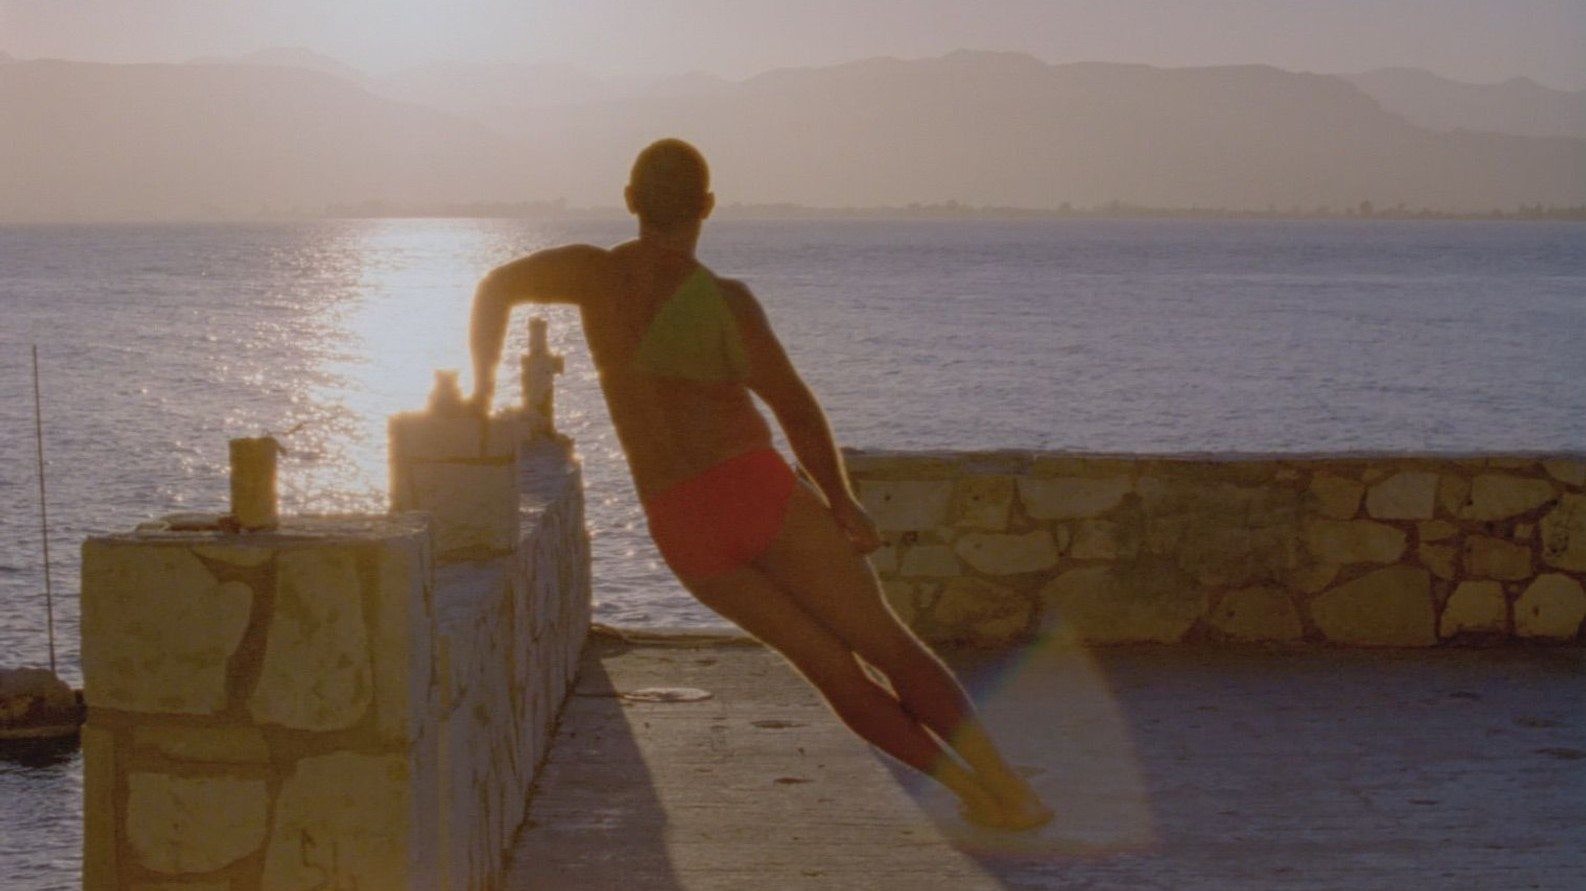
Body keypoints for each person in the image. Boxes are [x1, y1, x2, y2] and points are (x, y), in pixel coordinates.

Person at [467, 138, 1051, 830]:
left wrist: (480, 391)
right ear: (708, 206)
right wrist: (842, 501)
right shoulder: (724, 302)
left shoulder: (592, 277)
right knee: (888, 645)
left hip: (680, 524)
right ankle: (1010, 789)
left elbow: (494, 287)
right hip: (751, 488)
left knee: (833, 671)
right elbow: (795, 406)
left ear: (630, 201)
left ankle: (968, 791)